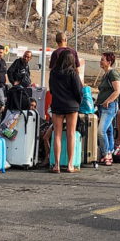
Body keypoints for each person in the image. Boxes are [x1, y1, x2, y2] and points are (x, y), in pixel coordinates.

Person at [48, 42, 83, 173]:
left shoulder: (54, 73)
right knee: (71, 134)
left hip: (57, 104)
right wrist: (78, 102)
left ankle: (56, 164)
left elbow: (51, 89)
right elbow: (78, 91)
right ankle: (70, 164)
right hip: (71, 105)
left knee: (57, 134)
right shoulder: (73, 73)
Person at [94, 52, 120, 165]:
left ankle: (106, 153)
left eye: (102, 60)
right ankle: (110, 152)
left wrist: (107, 101)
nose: (100, 62)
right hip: (102, 106)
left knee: (101, 131)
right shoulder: (105, 74)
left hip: (109, 107)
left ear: (109, 62)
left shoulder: (112, 73)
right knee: (109, 131)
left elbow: (117, 90)